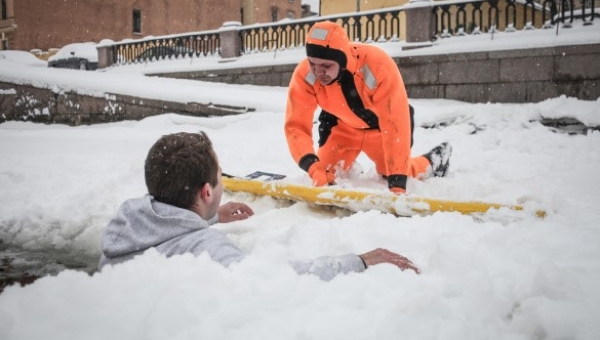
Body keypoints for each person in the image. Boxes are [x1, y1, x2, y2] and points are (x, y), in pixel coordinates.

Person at [98, 132, 419, 281]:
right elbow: (275, 281)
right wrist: (359, 261)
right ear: (207, 192)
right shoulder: (208, 250)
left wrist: (207, 219)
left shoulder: (127, 226)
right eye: (220, 177)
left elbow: (170, 239)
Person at [285, 21, 452, 194]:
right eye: (312, 63)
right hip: (342, 130)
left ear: (341, 60)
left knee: (397, 172)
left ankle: (435, 160)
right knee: (327, 174)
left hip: (381, 130)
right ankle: (349, 167)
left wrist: (397, 183)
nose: (318, 72)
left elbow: (395, 121)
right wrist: (314, 168)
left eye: (326, 66)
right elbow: (296, 126)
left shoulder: (377, 65)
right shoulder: (305, 75)